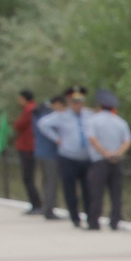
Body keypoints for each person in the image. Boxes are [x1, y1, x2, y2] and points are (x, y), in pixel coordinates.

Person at [83, 88, 130, 230]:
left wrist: (105, 153)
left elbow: (92, 139)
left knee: (96, 193)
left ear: (99, 105)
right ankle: (115, 221)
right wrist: (116, 154)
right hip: (116, 161)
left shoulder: (93, 120)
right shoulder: (121, 122)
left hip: (99, 161)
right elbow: (127, 141)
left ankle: (94, 222)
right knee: (116, 193)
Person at [42, 87, 90, 224]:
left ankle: (89, 215)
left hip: (86, 157)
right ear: (69, 103)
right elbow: (43, 124)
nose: (77, 105)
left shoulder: (89, 115)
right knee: (70, 189)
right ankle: (75, 217)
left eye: (80, 102)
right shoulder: (62, 115)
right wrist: (56, 138)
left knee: (87, 189)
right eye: (74, 102)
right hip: (68, 157)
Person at [12, 88, 44, 213]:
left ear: (24, 99)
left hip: (27, 147)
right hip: (29, 146)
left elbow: (18, 125)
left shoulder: (29, 110)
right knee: (29, 177)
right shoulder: (33, 108)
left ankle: (36, 205)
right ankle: (36, 204)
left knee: (28, 177)